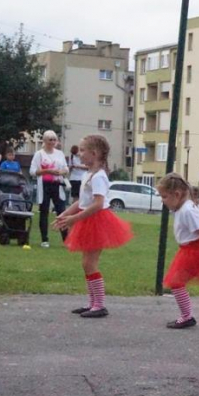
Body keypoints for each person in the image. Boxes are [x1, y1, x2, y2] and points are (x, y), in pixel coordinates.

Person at [53, 135, 133, 318]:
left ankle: (99, 304)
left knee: (90, 263)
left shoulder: (98, 177)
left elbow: (98, 203)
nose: (79, 154)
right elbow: (82, 201)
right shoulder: (88, 174)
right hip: (88, 220)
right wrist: (65, 214)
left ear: (94, 153)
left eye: (82, 150)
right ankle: (93, 303)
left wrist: (74, 219)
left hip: (97, 222)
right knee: (86, 263)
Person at [158, 173, 199, 329]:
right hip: (187, 250)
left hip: (193, 251)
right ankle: (186, 315)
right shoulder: (182, 208)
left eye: (165, 197)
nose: (162, 200)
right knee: (176, 283)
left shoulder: (188, 210)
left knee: (176, 282)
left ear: (177, 194)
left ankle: (187, 316)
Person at [30, 130, 69, 247]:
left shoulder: (60, 154)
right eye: (50, 140)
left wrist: (61, 172)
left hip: (57, 185)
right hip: (45, 186)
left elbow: (66, 169)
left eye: (54, 139)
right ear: (45, 141)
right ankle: (44, 239)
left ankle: (66, 240)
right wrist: (47, 171)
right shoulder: (39, 154)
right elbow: (32, 171)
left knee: (62, 212)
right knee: (44, 212)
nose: (52, 142)